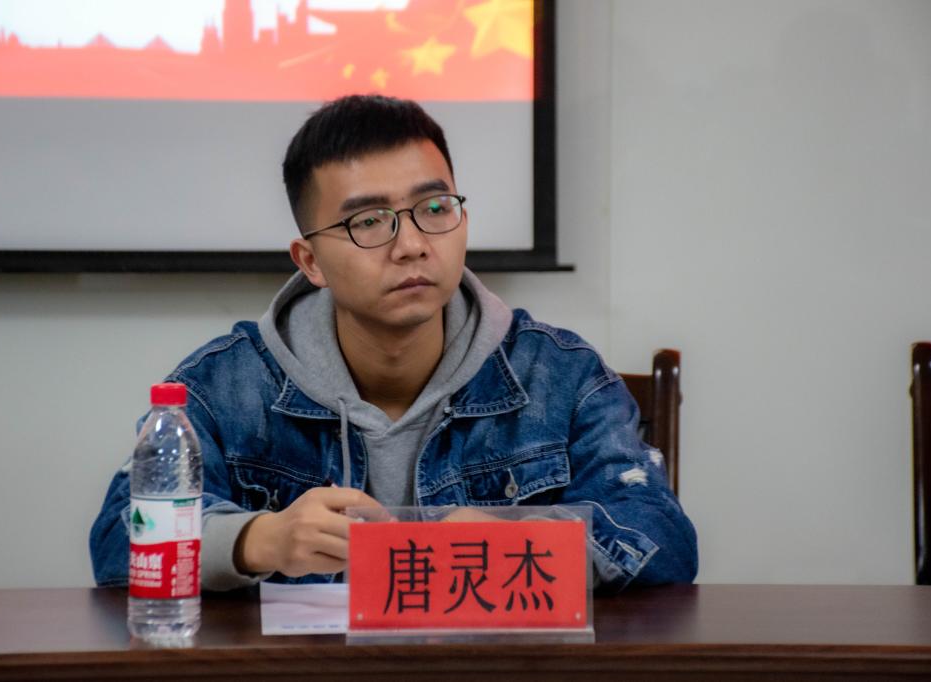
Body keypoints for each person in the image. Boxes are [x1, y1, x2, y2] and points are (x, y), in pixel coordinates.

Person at [90, 95, 697, 592]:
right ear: (310, 261)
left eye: (434, 208)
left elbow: (663, 537)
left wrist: (527, 540)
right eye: (369, 222)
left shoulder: (559, 375)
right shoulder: (223, 387)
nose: (411, 246)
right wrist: (258, 540)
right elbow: (119, 540)